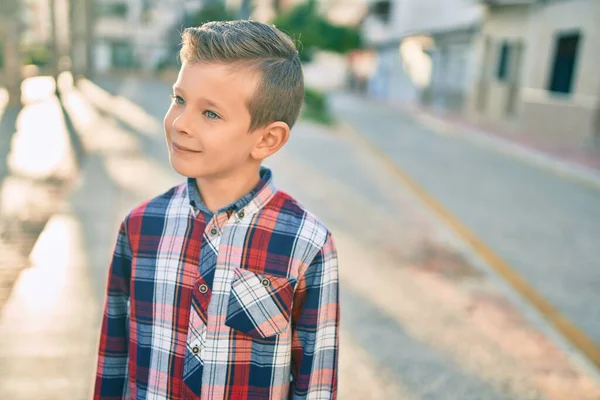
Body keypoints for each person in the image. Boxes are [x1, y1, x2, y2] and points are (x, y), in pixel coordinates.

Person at [93, 20, 340, 399]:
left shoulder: (306, 243)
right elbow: (113, 357)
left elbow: (316, 384)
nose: (180, 124)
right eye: (179, 100)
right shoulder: (140, 227)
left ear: (267, 138)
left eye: (210, 114)